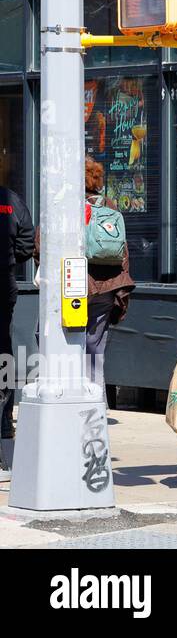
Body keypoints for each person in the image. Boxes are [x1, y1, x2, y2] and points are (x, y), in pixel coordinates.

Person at [84, 157, 134, 387]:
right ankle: (97, 411)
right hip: (109, 285)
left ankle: (73, 405)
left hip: (77, 286)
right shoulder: (110, 206)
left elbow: (41, 244)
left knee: (60, 345)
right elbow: (123, 250)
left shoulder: (67, 205)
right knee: (95, 350)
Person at [0, 179, 33, 479]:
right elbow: (26, 243)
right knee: (2, 351)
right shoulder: (11, 200)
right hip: (4, 283)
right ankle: (4, 421)